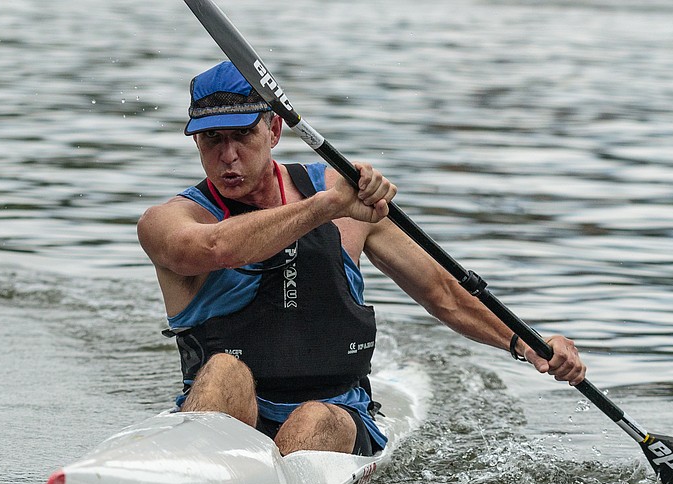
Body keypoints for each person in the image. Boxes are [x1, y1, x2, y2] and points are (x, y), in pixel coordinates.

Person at [137, 61, 586, 457]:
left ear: (273, 131)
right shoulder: (170, 221)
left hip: (335, 412)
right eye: (211, 138)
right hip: (227, 412)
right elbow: (214, 249)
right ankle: (196, 481)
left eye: (243, 134)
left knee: (312, 419)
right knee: (222, 371)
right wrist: (327, 207)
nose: (227, 155)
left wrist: (529, 344)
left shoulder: (344, 198)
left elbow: (443, 292)